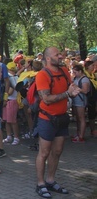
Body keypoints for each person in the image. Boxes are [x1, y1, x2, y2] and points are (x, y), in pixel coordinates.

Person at [34, 47, 79, 198]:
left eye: (60, 54)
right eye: (57, 55)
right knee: (44, 152)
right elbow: (46, 99)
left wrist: (74, 89)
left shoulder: (64, 71)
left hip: (62, 118)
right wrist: (67, 93)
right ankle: (40, 184)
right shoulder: (42, 75)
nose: (60, 57)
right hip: (47, 119)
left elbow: (70, 87)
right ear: (48, 59)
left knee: (57, 151)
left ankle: (50, 181)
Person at [2, 62, 21, 145]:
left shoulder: (11, 78)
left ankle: (16, 137)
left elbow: (11, 91)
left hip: (12, 100)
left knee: (13, 120)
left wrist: (4, 92)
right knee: (7, 120)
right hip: (8, 101)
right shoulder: (16, 77)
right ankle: (9, 136)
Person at [71, 64, 89, 143]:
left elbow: (85, 90)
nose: (74, 74)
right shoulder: (76, 78)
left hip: (81, 101)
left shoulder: (84, 79)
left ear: (80, 71)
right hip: (75, 100)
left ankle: (81, 136)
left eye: (75, 72)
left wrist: (77, 88)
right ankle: (78, 134)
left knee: (81, 118)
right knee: (78, 118)